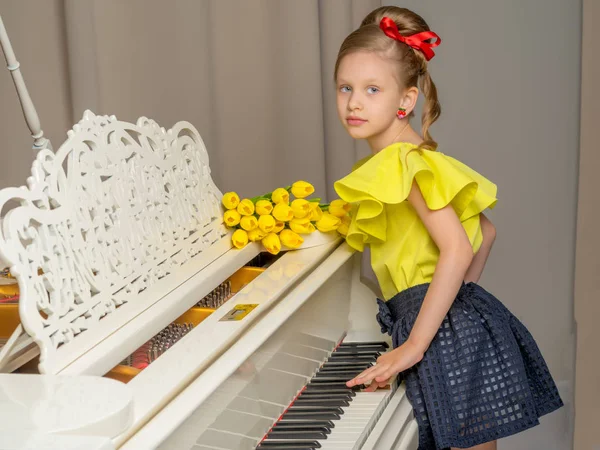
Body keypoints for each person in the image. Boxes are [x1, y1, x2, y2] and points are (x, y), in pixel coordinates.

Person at [332, 6, 564, 450]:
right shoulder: (413, 157)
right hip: (451, 324)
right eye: (345, 88)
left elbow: (456, 249)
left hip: (436, 332)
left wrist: (417, 343)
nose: (354, 102)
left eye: (372, 89)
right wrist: (454, 306)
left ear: (406, 99)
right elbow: (486, 233)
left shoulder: (406, 163)